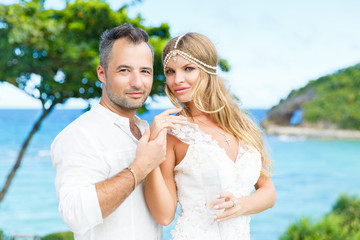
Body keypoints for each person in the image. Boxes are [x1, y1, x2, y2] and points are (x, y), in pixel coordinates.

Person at [51, 23, 184, 240]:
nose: (137, 82)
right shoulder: (78, 135)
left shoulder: (145, 130)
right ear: (102, 73)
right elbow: (74, 214)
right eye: (124, 70)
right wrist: (140, 168)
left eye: (145, 71)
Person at [144, 33, 277, 239]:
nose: (177, 80)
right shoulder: (173, 133)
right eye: (170, 71)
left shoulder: (243, 126)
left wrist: (239, 205)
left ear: (207, 70)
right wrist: (150, 152)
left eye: (188, 69)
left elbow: (268, 192)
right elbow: (163, 216)